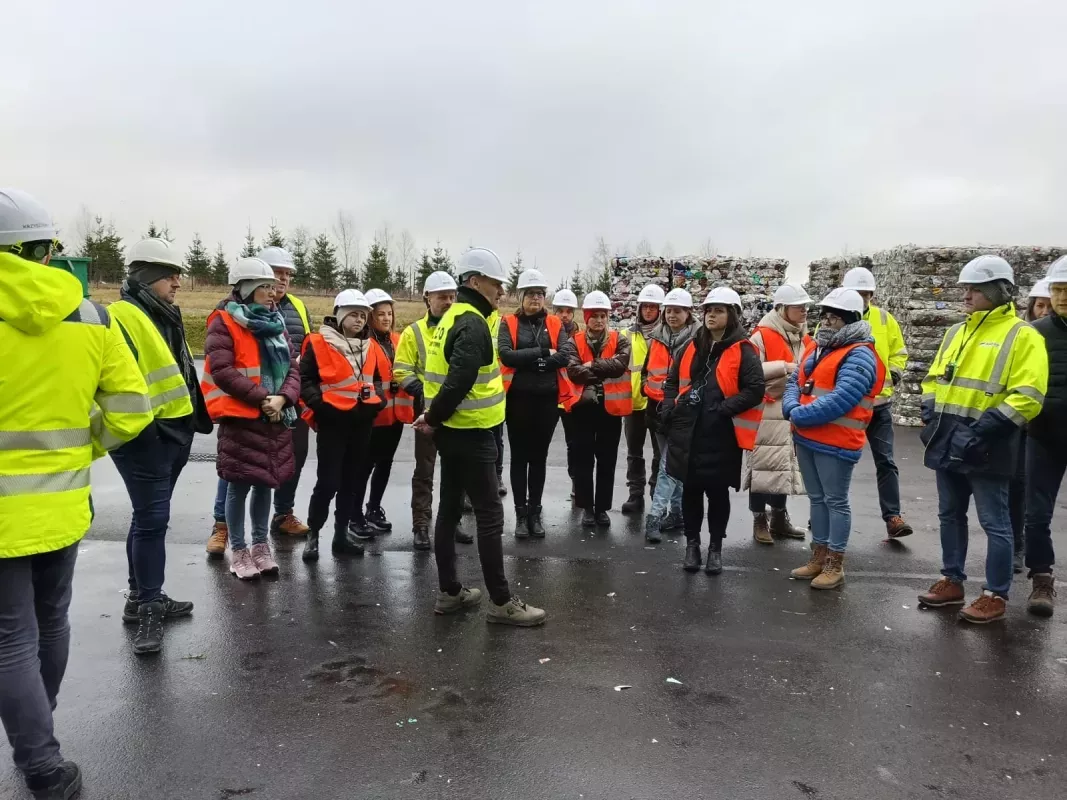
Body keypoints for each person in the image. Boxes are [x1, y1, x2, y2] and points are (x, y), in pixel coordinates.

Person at [0, 188, 153, 800]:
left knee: (10, 636)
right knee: (50, 622)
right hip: (62, 504)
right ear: (43, 249)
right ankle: (38, 736)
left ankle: (37, 756)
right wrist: (78, 450)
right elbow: (132, 410)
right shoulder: (91, 316)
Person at [414, 247, 546, 626]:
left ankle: (450, 592)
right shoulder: (472, 323)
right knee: (489, 516)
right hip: (471, 433)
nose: (501, 291)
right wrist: (433, 418)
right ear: (475, 282)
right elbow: (458, 380)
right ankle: (501, 602)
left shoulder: (452, 317)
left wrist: (435, 419)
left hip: (454, 433)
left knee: (449, 510)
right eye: (495, 284)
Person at [917, 256, 1048, 623]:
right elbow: (933, 379)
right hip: (949, 438)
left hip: (989, 443)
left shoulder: (1023, 335)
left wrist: (981, 430)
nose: (966, 295)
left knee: (995, 522)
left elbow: (1029, 395)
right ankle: (952, 580)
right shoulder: (956, 332)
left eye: (974, 289)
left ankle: (995, 594)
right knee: (949, 514)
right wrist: (930, 414)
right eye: (965, 288)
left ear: (1000, 291)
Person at [108, 238, 212, 655]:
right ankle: (149, 606)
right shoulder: (122, 316)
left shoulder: (163, 312)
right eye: (171, 275)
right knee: (152, 520)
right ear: (148, 277)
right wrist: (148, 432)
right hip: (144, 438)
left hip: (172, 433)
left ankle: (141, 597)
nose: (178, 282)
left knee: (147, 518)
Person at [201, 257, 301, 580]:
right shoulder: (223, 321)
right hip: (242, 417)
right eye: (265, 287)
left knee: (265, 483)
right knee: (239, 485)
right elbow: (222, 370)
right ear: (245, 289)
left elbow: (293, 367)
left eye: (273, 287)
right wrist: (264, 398)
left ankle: (261, 547)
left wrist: (283, 398)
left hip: (274, 417)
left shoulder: (276, 322)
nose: (272, 293)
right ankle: (240, 551)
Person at [783, 289, 883, 590]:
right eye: (825, 316)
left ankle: (834, 563)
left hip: (837, 441)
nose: (826, 322)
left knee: (835, 501)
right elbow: (796, 381)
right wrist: (792, 407)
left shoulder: (859, 353)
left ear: (850, 320)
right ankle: (819, 555)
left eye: (833, 317)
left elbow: (843, 398)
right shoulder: (820, 347)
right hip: (808, 437)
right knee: (818, 499)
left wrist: (798, 414)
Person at [662, 288, 764, 574]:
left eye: (719, 311)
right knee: (691, 491)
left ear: (732, 315)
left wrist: (723, 409)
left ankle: (715, 548)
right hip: (688, 433)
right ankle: (692, 546)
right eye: (708, 310)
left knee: (718, 494)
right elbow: (672, 381)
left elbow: (755, 389)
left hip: (721, 435)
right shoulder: (692, 345)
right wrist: (669, 409)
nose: (711, 316)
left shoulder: (744, 350)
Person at [300, 290, 386, 561]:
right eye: (354, 315)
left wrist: (378, 402)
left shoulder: (371, 346)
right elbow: (305, 379)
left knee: (351, 482)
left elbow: (378, 379)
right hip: (332, 423)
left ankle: (340, 535)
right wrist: (321, 406)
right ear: (339, 316)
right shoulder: (318, 342)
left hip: (361, 423)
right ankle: (314, 534)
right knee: (327, 483)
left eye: (363, 315)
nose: (359, 320)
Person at [394, 271, 472, 551]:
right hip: (426, 410)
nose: (448, 302)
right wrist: (426, 393)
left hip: (458, 410)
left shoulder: (464, 328)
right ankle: (421, 525)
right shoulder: (413, 333)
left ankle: (452, 522)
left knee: (457, 470)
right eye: (442, 297)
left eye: (452, 297)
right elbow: (401, 370)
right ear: (428, 298)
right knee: (425, 470)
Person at [499, 268, 578, 538]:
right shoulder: (508, 323)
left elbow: (565, 354)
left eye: (540, 294)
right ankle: (521, 515)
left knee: (539, 457)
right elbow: (507, 355)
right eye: (531, 293)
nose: (536, 298)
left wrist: (536, 363)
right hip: (517, 400)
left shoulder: (555, 323)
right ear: (521, 296)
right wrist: (544, 352)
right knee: (519, 457)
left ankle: (535, 512)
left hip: (547, 400)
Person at [839, 266, 913, 539]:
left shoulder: (884, 319)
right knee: (839, 462)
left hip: (879, 406)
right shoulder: (835, 319)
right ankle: (827, 511)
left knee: (886, 461)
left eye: (865, 293)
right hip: (847, 406)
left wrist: (893, 374)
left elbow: (899, 352)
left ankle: (893, 517)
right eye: (857, 293)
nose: (862, 298)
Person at [745, 284, 812, 545]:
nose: (804, 311)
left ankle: (779, 518)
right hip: (765, 410)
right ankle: (759, 519)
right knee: (762, 467)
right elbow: (749, 373)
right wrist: (785, 368)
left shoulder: (804, 337)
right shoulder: (761, 336)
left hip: (791, 410)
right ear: (782, 308)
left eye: (805, 307)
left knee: (783, 465)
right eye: (799, 307)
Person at [347, 289, 415, 538]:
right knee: (363, 467)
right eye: (380, 314)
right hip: (372, 417)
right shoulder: (364, 344)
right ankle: (354, 515)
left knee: (385, 464)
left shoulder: (398, 340)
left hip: (394, 416)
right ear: (370, 316)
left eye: (389, 314)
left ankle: (374, 508)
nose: (386, 318)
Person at [258, 246, 313, 538]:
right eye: (277, 272)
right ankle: (224, 524)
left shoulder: (299, 307)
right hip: (259, 397)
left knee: (295, 455)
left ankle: (283, 513)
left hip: (294, 396)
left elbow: (309, 346)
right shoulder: (246, 306)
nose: (283, 279)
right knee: (248, 462)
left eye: (287, 274)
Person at [1023, 257, 1067, 617]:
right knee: (1036, 515)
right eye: (1057, 289)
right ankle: (1041, 578)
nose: (1062, 296)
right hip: (1044, 437)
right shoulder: (1034, 333)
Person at [567, 290, 632, 527]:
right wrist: (602, 370)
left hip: (610, 409)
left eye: (603, 315)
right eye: (594, 315)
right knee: (583, 460)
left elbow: (619, 365)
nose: (599, 320)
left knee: (607, 460)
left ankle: (602, 508)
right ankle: (587, 508)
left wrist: (591, 365)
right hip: (582, 409)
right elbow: (573, 371)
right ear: (586, 317)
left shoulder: (620, 339)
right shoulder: (573, 341)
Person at [641, 288, 699, 543]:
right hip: (657, 410)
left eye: (677, 311)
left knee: (667, 466)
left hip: (683, 411)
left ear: (688, 313)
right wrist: (646, 388)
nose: (672, 315)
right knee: (673, 464)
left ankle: (655, 517)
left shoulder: (699, 341)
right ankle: (677, 513)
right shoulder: (656, 338)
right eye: (669, 311)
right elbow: (647, 370)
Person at [1008, 279, 1054, 573]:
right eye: (1040, 305)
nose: (1045, 311)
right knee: (1018, 486)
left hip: (1051, 424)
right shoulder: (1023, 336)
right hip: (1024, 426)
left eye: (1049, 306)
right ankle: (1016, 545)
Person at [620, 283, 665, 513]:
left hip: (658, 403)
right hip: (634, 403)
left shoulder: (667, 335)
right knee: (634, 453)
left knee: (660, 454)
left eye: (653, 307)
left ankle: (657, 495)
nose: (648, 310)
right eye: (645, 306)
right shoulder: (626, 335)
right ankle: (635, 494)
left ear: (660, 309)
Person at [552, 288, 581, 497]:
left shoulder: (580, 337)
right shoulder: (545, 333)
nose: (564, 315)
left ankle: (576, 482)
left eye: (568, 311)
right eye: (560, 311)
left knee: (574, 444)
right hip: (550, 395)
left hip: (571, 397)